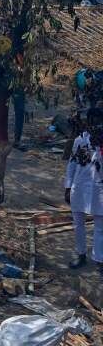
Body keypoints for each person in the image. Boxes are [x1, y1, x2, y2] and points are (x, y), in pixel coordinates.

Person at [65, 107, 103, 276]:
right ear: (87, 122)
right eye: (92, 120)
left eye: (98, 121)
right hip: (79, 187)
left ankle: (100, 260)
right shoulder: (79, 141)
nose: (94, 124)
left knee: (100, 228)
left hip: (99, 190)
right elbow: (71, 164)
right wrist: (67, 187)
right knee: (78, 224)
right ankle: (81, 255)